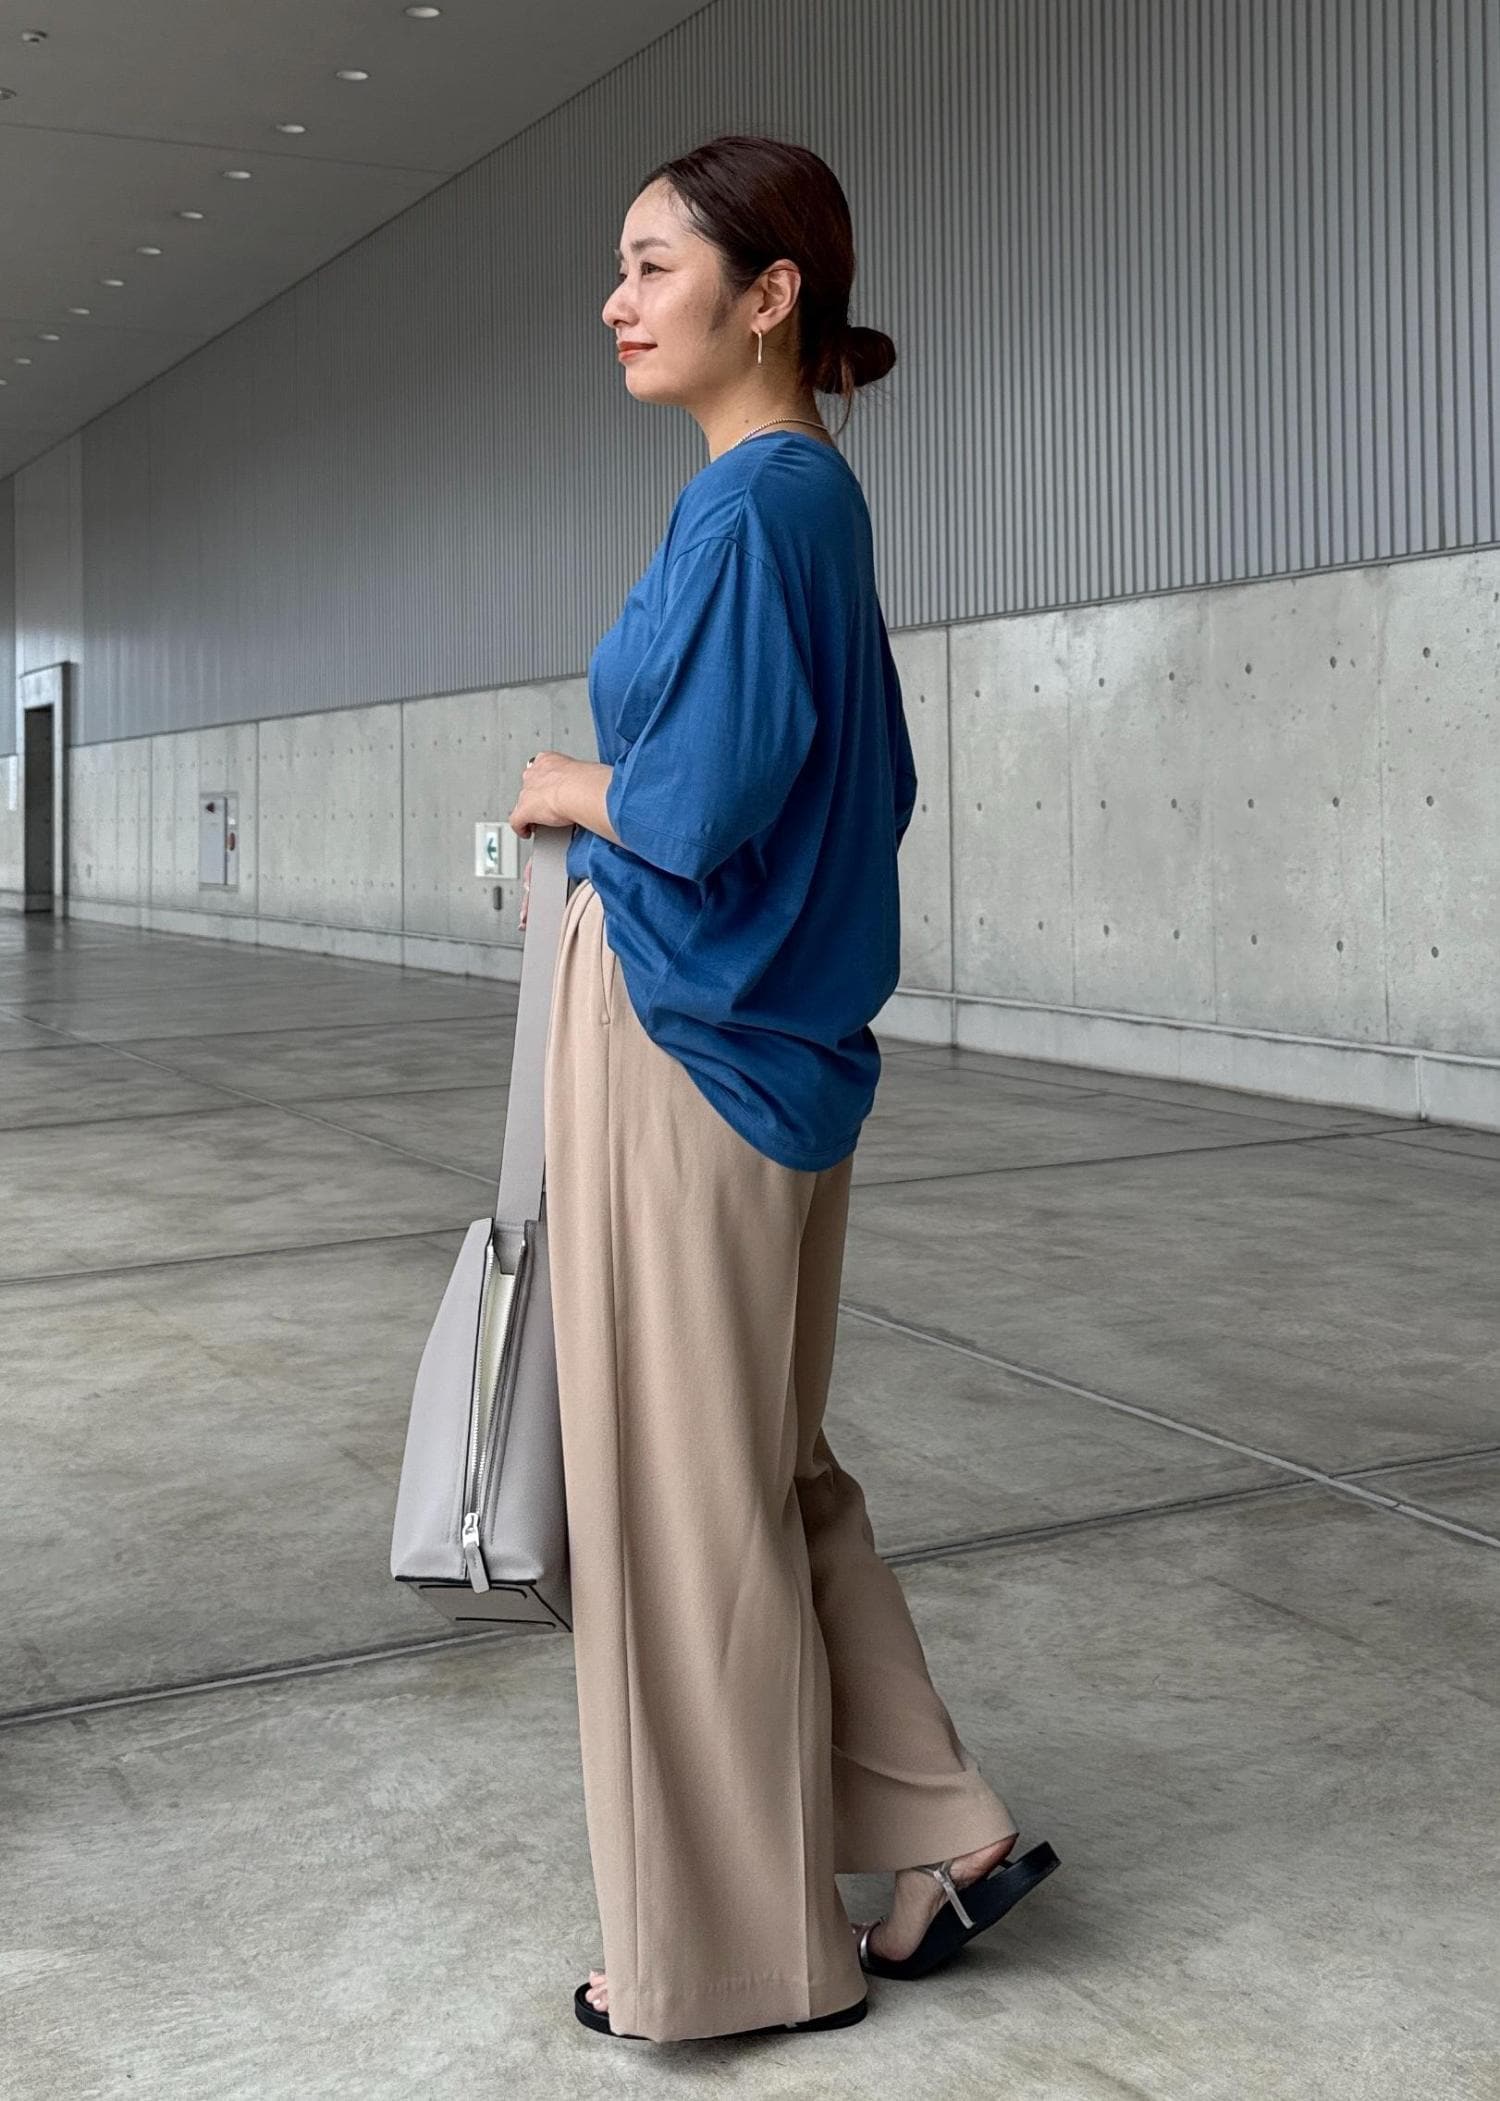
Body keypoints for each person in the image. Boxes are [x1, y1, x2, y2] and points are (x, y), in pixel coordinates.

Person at [506, 133, 1058, 2046]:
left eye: (653, 264)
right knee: (763, 1465)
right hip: (777, 1053)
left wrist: (569, 786)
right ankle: (939, 1830)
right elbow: (871, 788)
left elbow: (697, 801)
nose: (617, 300)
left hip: (687, 1045)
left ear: (770, 295)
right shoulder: (812, 503)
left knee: (674, 1504)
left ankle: (732, 1957)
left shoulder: (754, 508)